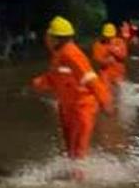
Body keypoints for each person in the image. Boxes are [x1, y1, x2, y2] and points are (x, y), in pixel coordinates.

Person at [32, 16, 113, 161]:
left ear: (56, 38)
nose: (46, 39)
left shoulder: (71, 53)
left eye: (49, 36)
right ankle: (74, 175)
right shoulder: (59, 54)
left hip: (82, 107)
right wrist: (37, 83)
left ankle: (79, 180)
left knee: (79, 151)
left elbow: (90, 78)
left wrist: (105, 102)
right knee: (71, 150)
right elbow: (54, 78)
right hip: (68, 107)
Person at [91, 22, 127, 89]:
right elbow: (96, 62)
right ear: (103, 35)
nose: (109, 38)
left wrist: (113, 50)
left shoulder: (120, 42)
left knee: (120, 91)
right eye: (107, 36)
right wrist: (106, 61)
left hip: (118, 72)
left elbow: (124, 56)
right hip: (105, 74)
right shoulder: (97, 45)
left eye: (111, 36)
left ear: (114, 34)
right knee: (107, 91)